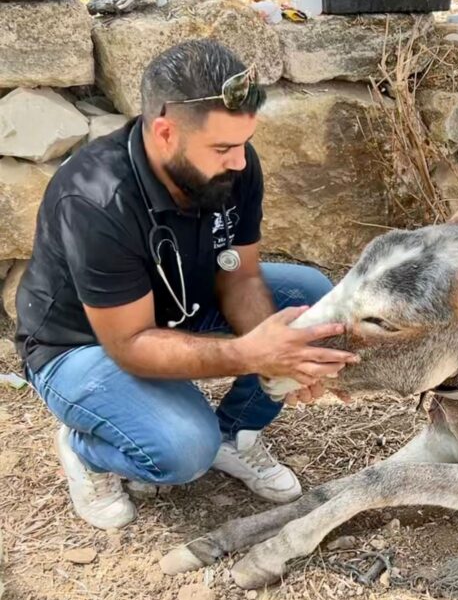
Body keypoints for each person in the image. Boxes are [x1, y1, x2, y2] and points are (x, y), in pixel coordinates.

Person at [15, 39, 357, 529]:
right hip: (84, 347)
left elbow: (240, 275)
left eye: (243, 142)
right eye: (222, 148)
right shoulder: (95, 198)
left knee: (308, 300)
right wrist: (252, 354)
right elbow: (130, 344)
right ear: (166, 132)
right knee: (181, 449)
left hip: (180, 302)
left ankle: (234, 435)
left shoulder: (235, 165)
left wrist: (286, 354)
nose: (240, 162)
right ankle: (88, 449)